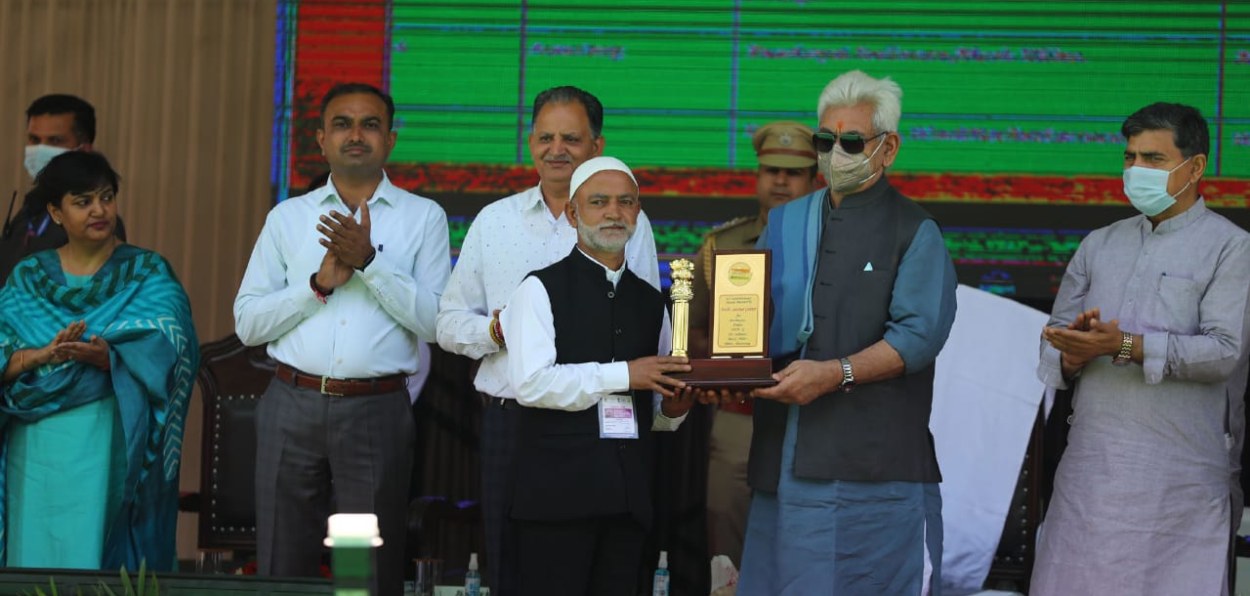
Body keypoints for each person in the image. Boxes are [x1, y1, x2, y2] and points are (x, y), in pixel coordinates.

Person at [736, 70, 957, 594]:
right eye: (826, 140)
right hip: (781, 458)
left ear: (888, 148)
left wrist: (835, 374)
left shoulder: (914, 230)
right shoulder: (786, 223)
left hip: (868, 467)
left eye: (852, 141)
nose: (837, 153)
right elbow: (748, 321)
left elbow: (918, 337)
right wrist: (730, 364)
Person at [434, 85, 660, 594]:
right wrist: (495, 331)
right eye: (545, 137)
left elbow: (644, 319)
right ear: (529, 142)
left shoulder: (628, 219)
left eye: (572, 138)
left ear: (597, 146)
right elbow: (447, 323)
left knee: (607, 564)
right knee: (514, 568)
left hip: (607, 422)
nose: (556, 149)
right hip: (513, 419)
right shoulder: (495, 221)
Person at [234, 82, 450, 596]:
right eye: (342, 124)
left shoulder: (424, 218)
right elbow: (248, 324)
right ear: (320, 140)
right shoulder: (289, 218)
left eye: (370, 124)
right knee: (284, 563)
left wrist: (371, 263)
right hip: (292, 404)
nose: (356, 135)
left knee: (360, 572)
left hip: (372, 415)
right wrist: (316, 286)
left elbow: (437, 324)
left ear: (391, 140)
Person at [1031, 102, 1250, 596]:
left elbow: (1224, 353)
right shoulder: (1099, 245)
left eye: (1153, 159)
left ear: (1195, 167)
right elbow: (1052, 347)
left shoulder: (1231, 248)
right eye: (1129, 158)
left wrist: (1126, 345)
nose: (1135, 171)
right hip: (1092, 474)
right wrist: (1073, 352)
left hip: (1180, 482)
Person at [499, 156, 692, 596]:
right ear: (573, 213)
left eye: (626, 203)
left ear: (638, 213)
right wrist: (624, 374)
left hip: (627, 500)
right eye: (599, 202)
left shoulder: (651, 301)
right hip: (556, 501)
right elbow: (530, 384)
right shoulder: (538, 289)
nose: (613, 212)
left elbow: (660, 408)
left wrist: (676, 408)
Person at [0, 150, 198, 571]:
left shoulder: (147, 273)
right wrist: (35, 357)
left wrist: (113, 358)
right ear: (56, 212)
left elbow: (174, 346)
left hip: (109, 438)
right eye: (82, 201)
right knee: (32, 549)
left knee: (94, 553)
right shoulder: (28, 277)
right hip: (33, 445)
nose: (99, 210)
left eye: (106, 197)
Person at [690, 120, 817, 566]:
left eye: (793, 172)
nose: (780, 180)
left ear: (815, 178)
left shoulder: (834, 245)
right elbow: (695, 332)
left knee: (807, 547)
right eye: (770, 170)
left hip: (815, 416)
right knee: (727, 544)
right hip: (740, 414)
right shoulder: (723, 244)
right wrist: (726, 361)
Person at [1, 94, 126, 285]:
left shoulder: (97, 220)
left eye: (55, 141)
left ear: (84, 149)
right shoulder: (31, 208)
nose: (40, 150)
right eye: (34, 139)